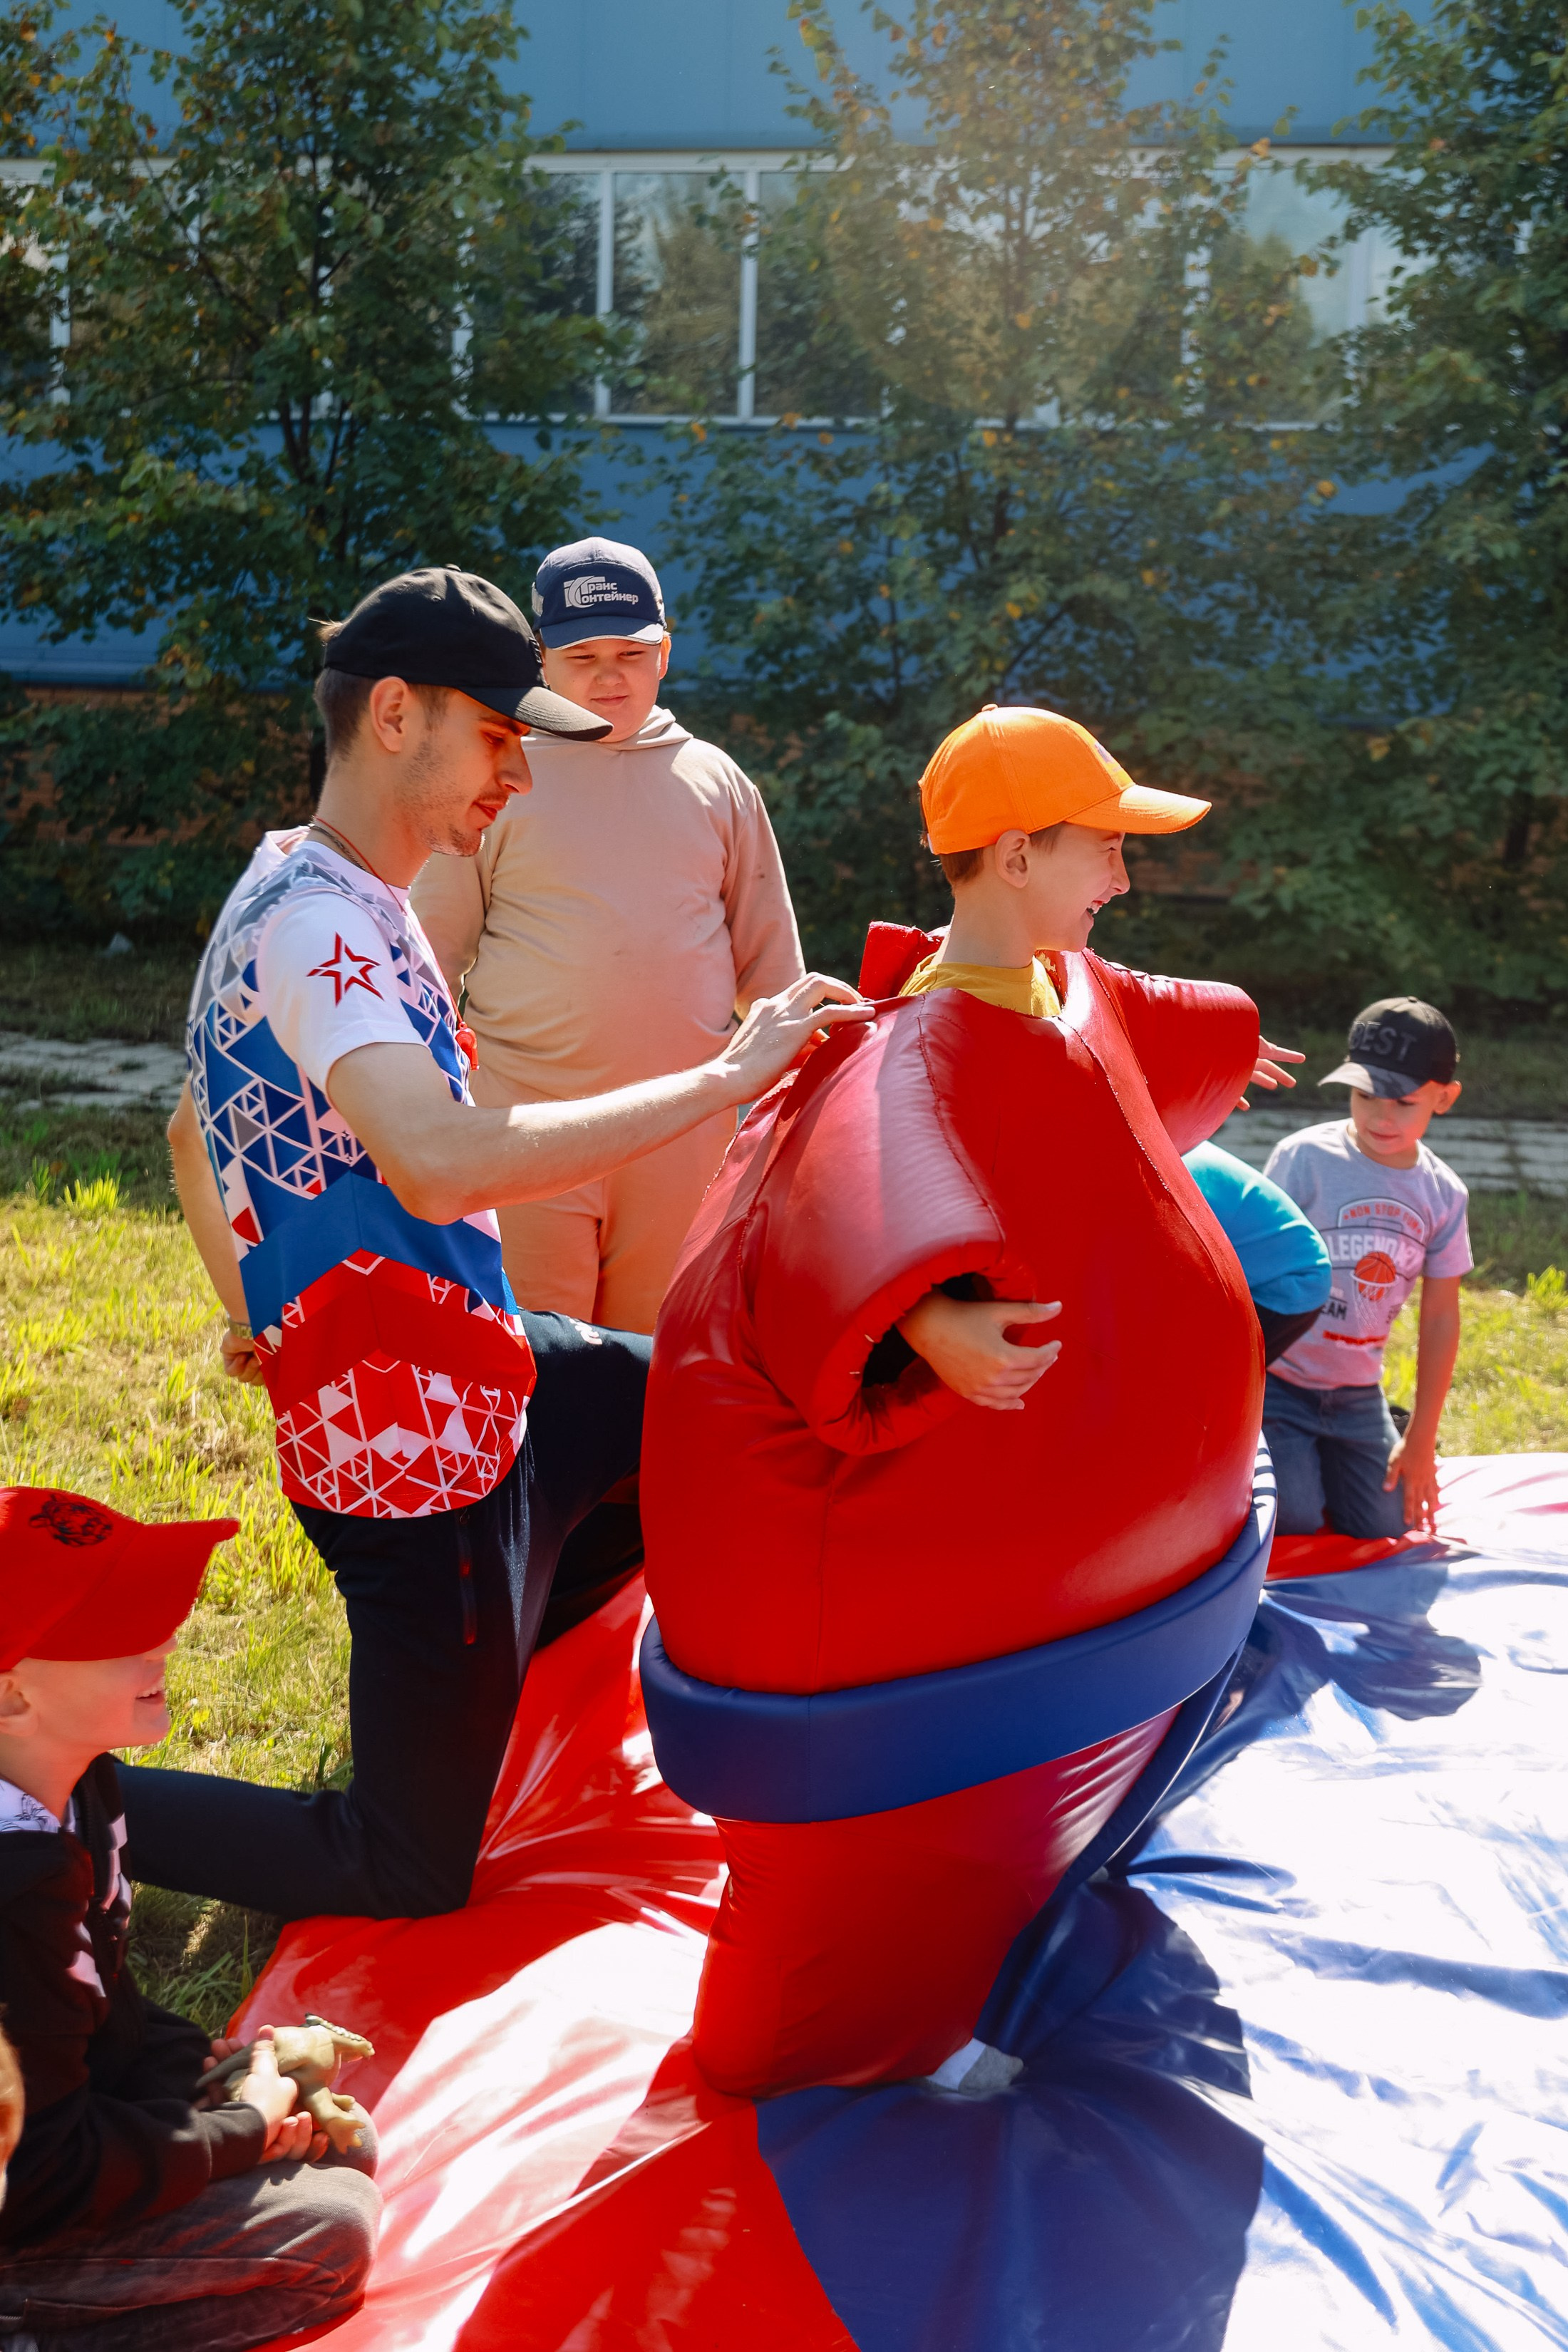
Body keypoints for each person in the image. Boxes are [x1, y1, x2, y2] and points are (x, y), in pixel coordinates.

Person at [148, 565, 870, 1926]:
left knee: (727, 1413)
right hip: (420, 1469)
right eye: (499, 740)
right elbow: (438, 1157)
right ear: (399, 715)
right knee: (409, 1867)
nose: (519, 781)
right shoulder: (320, 929)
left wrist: (258, 1308)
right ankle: (61, 1806)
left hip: (495, 1372)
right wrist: (726, 1077)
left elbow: (195, 1131)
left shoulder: (320, 887)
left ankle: (524, 1657)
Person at [638, 703, 1296, 2099]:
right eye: (1096, 850)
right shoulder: (906, 1052)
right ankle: (834, 2046)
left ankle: (991, 1928)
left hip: (1112, 1613)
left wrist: (1236, 1054)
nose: (1116, 880)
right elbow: (823, 1185)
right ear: (1008, 855)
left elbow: (1133, 1031)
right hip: (917, 1646)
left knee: (996, 1857)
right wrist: (922, 1308)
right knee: (810, 2005)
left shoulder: (1064, 986)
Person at [0, 1486, 380, 2352]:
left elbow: (92, 1990)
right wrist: (238, 2130)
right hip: (19, 2190)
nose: (166, 1640)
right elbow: (37, 2175)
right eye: (120, 1636)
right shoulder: (10, 1901)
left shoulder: (74, 1778)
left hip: (40, 2141)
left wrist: (192, 2067)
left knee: (334, 2156)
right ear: (13, 1698)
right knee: (329, 2229)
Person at [412, 537, 805, 1334]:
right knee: (533, 1360)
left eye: (631, 652)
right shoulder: (498, 773)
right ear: (539, 659)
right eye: (579, 654)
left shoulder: (716, 783)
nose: (607, 675)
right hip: (526, 1133)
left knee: (657, 1368)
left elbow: (772, 978)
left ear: (666, 653)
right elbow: (424, 955)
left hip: (681, 1137)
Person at [1261, 996, 1470, 1539]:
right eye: (1364, 1095)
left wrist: (1422, 1437)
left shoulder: (1443, 1194)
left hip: (1357, 1391)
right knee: (1296, 1516)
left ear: (1443, 1099)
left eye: (1403, 1102)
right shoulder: (1302, 1158)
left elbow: (1442, 1317)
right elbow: (1252, 1268)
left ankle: (1380, 1431)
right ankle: (1292, 1456)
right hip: (1278, 1383)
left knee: (1385, 1524)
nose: (1381, 1116)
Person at [1182, 1140, 1332, 1366]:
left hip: (1285, 1284)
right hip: (1273, 1269)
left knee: (1200, 1378)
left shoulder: (1163, 1166)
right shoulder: (1176, 1141)